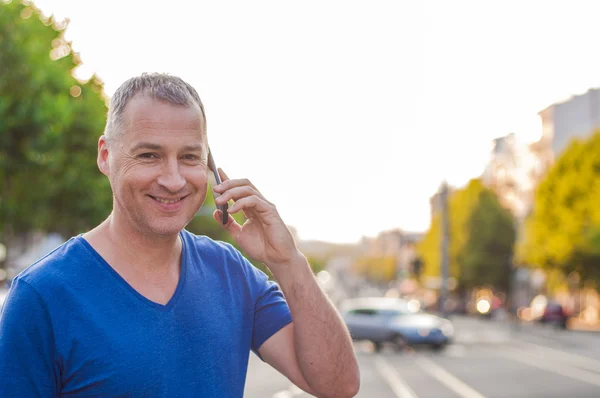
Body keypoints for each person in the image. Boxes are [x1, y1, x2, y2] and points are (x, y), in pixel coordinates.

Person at [0, 73, 360, 397]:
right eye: (149, 155)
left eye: (189, 158)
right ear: (106, 156)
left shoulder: (231, 273)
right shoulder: (42, 297)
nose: (173, 180)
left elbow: (337, 385)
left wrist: (288, 261)